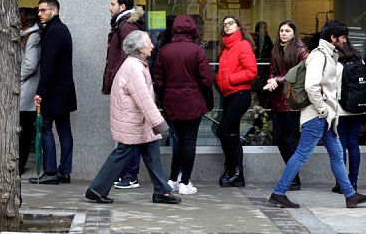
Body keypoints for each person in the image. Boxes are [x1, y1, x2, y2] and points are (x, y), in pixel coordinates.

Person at [268, 20, 366, 209]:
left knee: (336, 153)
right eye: (342, 37)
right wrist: (322, 109)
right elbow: (311, 86)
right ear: (333, 38)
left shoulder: (328, 54)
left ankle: (350, 195)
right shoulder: (319, 56)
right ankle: (279, 192)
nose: (344, 40)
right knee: (302, 154)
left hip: (324, 117)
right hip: (317, 116)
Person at [85, 30, 181, 204]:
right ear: (139, 49)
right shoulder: (134, 67)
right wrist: (160, 123)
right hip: (133, 121)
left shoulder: (135, 64)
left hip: (137, 120)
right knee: (122, 153)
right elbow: (144, 99)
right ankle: (96, 189)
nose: (152, 46)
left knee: (152, 152)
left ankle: (161, 191)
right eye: (148, 43)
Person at [154, 15, 214, 195]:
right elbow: (206, 79)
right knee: (189, 143)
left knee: (177, 142)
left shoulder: (165, 51)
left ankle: (173, 179)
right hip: (193, 102)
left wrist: (165, 97)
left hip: (172, 103)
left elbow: (158, 80)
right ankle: (185, 182)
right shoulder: (197, 51)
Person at [29, 0, 77, 185]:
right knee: (64, 129)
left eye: (43, 10)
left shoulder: (53, 31)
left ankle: (50, 171)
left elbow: (48, 65)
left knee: (46, 128)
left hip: (53, 90)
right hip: (64, 90)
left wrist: (40, 92)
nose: (39, 14)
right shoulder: (61, 29)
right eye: (39, 10)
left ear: (54, 11)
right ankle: (64, 172)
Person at [102, 0, 145, 190]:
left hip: (126, 86)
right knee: (129, 132)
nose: (109, 7)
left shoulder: (125, 26)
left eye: (112, 4)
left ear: (122, 7)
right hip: (127, 85)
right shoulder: (122, 24)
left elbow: (130, 55)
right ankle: (128, 174)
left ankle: (130, 175)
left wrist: (119, 80)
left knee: (129, 132)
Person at [264, 20, 308, 191]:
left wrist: (278, 80)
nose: (283, 33)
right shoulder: (276, 49)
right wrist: (271, 79)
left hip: (291, 100)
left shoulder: (300, 49)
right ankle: (292, 176)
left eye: (287, 31)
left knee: (289, 140)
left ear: (294, 33)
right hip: (277, 99)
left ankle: (294, 178)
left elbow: (301, 72)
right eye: (281, 30)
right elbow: (273, 70)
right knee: (279, 140)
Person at [215, 15, 258, 187]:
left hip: (240, 94)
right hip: (228, 95)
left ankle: (233, 168)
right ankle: (236, 174)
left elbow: (252, 71)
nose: (227, 26)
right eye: (225, 24)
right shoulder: (225, 49)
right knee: (231, 135)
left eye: (231, 23)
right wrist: (220, 82)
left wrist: (230, 79)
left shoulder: (243, 45)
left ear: (239, 26)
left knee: (223, 131)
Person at [332, 41, 365, 193]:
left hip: (341, 109)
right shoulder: (360, 61)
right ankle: (354, 182)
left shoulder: (337, 65)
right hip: (358, 109)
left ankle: (341, 184)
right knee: (354, 144)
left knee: (341, 145)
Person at [19, 7, 41, 173]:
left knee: (25, 129)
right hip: (26, 87)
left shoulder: (32, 37)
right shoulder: (28, 35)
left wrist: (15, 78)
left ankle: (20, 164)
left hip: (27, 88)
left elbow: (30, 65)